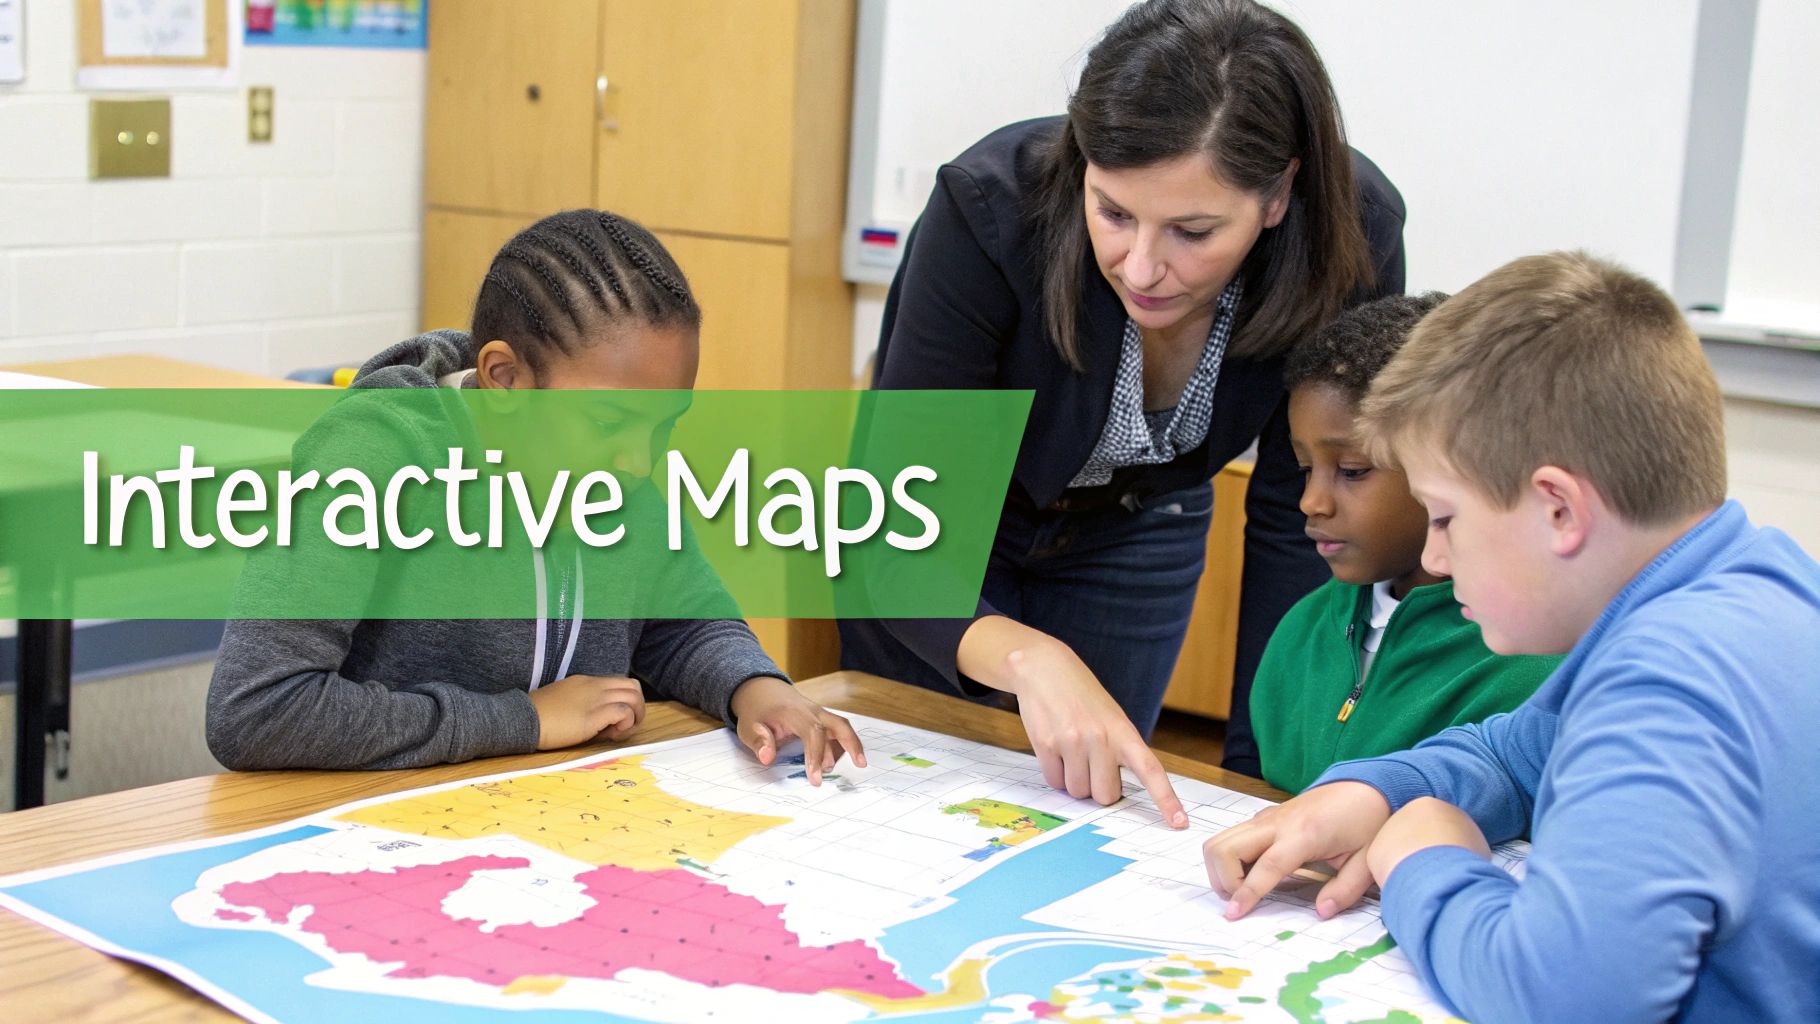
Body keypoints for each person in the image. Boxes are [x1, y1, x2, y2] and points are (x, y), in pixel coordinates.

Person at [1203, 252, 1820, 1022]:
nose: (1433, 556)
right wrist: (1378, 790)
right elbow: (1518, 750)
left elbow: (1561, 1001)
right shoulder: (1757, 584)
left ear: (1558, 509)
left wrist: (1425, 860)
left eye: (1447, 518)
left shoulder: (1668, 687)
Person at [840, 0, 1407, 810]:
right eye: (1112, 212)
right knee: (909, 802)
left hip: (1140, 526)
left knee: (1082, 812)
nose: (1141, 267)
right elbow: (894, 534)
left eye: (1192, 231)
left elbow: (1304, 522)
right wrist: (1031, 658)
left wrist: (1262, 792)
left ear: (1278, 193)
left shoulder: (1354, 237)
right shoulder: (987, 207)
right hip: (954, 528)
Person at [207, 209, 864, 780]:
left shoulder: (610, 468)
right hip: (380, 820)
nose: (639, 462)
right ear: (505, 377)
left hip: (549, 811)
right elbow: (258, 709)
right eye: (611, 425)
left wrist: (754, 687)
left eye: (665, 425)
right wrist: (521, 721)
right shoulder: (373, 458)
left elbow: (680, 622)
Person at [1250, 293, 1559, 793]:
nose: (1312, 501)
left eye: (1352, 471)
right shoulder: (1302, 632)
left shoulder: (1531, 666)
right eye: (1306, 469)